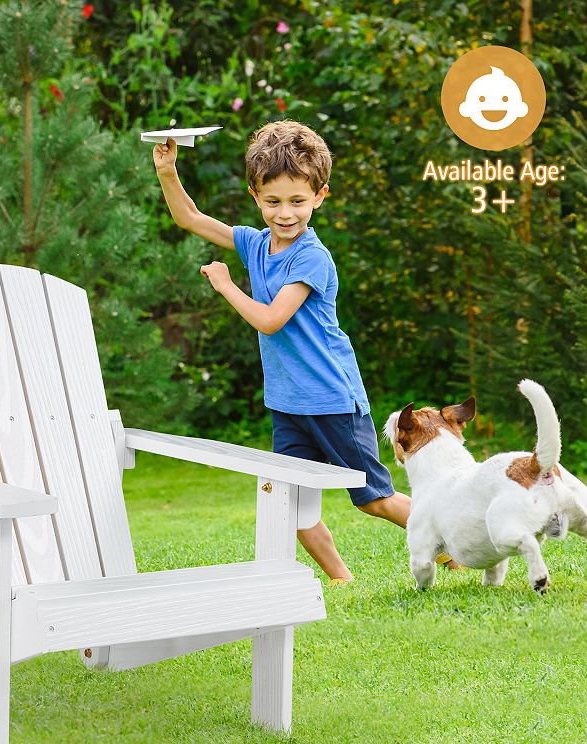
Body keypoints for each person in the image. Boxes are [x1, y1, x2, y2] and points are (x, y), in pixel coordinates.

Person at [152, 119, 461, 582]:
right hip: (288, 404)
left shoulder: (311, 257)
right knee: (291, 506)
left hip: (333, 400)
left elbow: (271, 320)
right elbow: (190, 218)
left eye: (298, 201)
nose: (285, 213)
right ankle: (341, 579)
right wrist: (167, 172)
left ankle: (455, 544)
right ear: (255, 194)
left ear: (320, 196)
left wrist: (225, 284)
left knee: (373, 498)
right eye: (273, 201)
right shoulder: (255, 244)